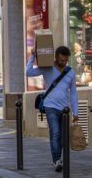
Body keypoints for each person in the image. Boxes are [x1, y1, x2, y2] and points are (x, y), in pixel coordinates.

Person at [26, 45, 78, 173]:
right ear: (56, 57)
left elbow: (73, 93)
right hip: (50, 106)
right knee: (55, 133)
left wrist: (76, 112)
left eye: (65, 60)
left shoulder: (70, 72)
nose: (63, 62)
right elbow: (29, 72)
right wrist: (32, 55)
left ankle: (58, 158)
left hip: (65, 108)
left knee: (61, 136)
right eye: (61, 60)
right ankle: (57, 160)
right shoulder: (47, 68)